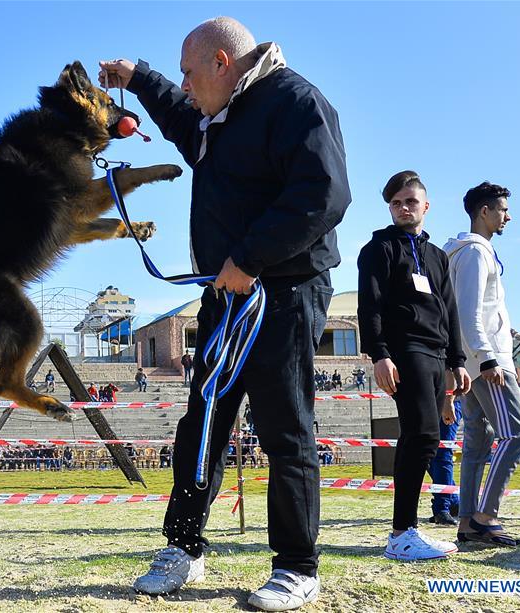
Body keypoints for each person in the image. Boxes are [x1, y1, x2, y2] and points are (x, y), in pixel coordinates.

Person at [99, 17, 350, 609]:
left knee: (284, 424)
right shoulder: (216, 117)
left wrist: (250, 257)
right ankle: (183, 548)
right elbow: (179, 113)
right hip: (224, 294)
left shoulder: (295, 101)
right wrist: (136, 77)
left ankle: (296, 565)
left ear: (221, 63)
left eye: (189, 72)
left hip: (283, 291)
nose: (184, 85)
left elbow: (325, 194)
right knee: (203, 420)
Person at [357, 170, 471, 561]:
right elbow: (369, 306)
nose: (404, 208)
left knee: (427, 434)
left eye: (410, 201)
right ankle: (402, 532)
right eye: (396, 203)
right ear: (389, 208)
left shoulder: (437, 256)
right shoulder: (379, 249)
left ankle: (405, 531)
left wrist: (457, 361)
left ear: (426, 205)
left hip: (438, 354)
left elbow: (450, 310)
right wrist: (380, 354)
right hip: (405, 351)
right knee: (421, 434)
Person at [443, 181, 520, 547]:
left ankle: (466, 523)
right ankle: (486, 515)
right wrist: (489, 356)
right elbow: (467, 311)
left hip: (477, 358)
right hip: (488, 361)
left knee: (477, 444)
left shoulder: (466, 252)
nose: (507, 216)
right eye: (502, 209)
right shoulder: (476, 253)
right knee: (518, 433)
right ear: (484, 211)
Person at [428, 398, 461, 525]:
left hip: (448, 398)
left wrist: (448, 400)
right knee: (428, 455)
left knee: (442, 453)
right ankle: (453, 501)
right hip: (428, 398)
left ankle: (442, 508)